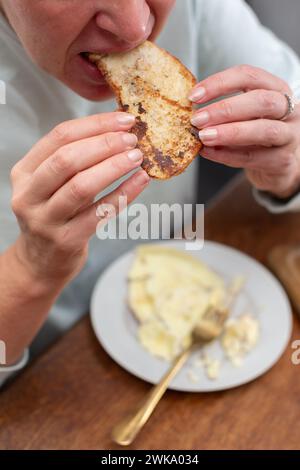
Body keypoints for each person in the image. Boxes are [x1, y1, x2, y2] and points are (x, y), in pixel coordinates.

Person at [1, 0, 300, 387]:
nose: (136, 27)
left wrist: (288, 166)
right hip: (53, 382)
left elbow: (292, 99)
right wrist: (31, 269)